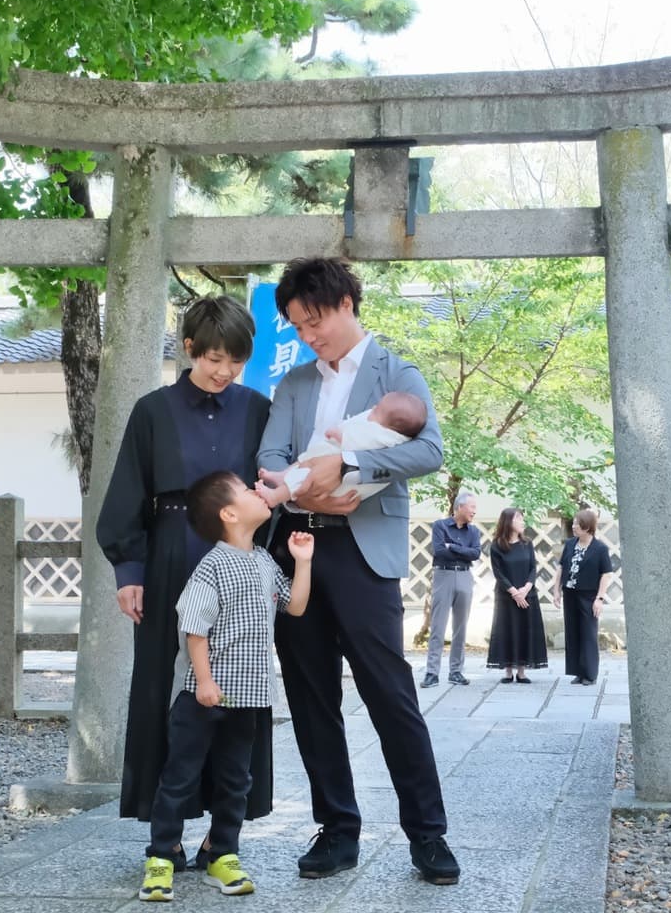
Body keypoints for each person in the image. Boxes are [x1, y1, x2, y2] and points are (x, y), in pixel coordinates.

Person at [258, 256, 460, 886]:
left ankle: (428, 835)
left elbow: (430, 449)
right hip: (295, 545)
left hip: (364, 551)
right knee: (310, 691)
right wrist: (305, 493)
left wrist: (351, 472)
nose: (307, 335)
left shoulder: (395, 371)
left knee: (389, 692)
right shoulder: (293, 385)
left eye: (313, 320)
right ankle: (337, 829)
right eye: (296, 326)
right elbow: (269, 454)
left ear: (346, 304)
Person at [97, 294, 276, 863]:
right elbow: (127, 489)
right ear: (190, 348)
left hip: (240, 556)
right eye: (214, 359)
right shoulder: (152, 410)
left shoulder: (258, 408)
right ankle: (164, 832)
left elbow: (269, 491)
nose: (224, 372)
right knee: (160, 684)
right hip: (170, 549)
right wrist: (130, 570)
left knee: (241, 685)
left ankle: (225, 832)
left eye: (236, 362)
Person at [137, 471, 314, 902]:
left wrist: (303, 562)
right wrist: (204, 681)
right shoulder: (213, 564)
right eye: (248, 491)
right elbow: (194, 628)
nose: (259, 492)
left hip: (249, 697)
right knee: (180, 776)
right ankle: (161, 857)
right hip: (203, 696)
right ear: (229, 513)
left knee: (237, 779)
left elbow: (295, 606)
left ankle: (222, 852)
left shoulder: (264, 561)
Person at [255, 390, 427, 506]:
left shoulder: (386, 434)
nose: (373, 409)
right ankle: (280, 477)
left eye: (378, 410)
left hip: (345, 487)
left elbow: (360, 441)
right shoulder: (389, 427)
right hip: (325, 466)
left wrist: (339, 435)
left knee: (304, 477)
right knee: (304, 463)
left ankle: (275, 496)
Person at [550, 508, 616, 686]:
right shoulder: (570, 544)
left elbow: (606, 574)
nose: (573, 527)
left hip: (589, 595)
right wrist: (556, 590)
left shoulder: (600, 548)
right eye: (573, 524)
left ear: (587, 527)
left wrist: (599, 598)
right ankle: (577, 672)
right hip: (570, 593)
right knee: (573, 632)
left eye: (577, 525)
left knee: (588, 633)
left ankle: (590, 674)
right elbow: (561, 567)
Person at [422, 493, 481, 688]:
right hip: (443, 575)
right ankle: (432, 672)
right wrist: (462, 550)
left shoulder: (473, 531)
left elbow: (475, 553)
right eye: (471, 506)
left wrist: (453, 547)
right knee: (438, 625)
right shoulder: (440, 525)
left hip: (465, 576)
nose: (474, 510)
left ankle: (456, 671)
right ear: (460, 507)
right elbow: (439, 551)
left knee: (461, 626)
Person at [486, 507, 547, 683]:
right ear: (508, 522)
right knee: (507, 630)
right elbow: (498, 573)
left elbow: (533, 568)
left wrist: (526, 589)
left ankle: (521, 671)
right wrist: (514, 592)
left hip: (528, 594)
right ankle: (508, 670)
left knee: (524, 629)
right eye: (519, 518)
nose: (522, 522)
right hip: (506, 596)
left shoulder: (527, 543)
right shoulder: (497, 545)